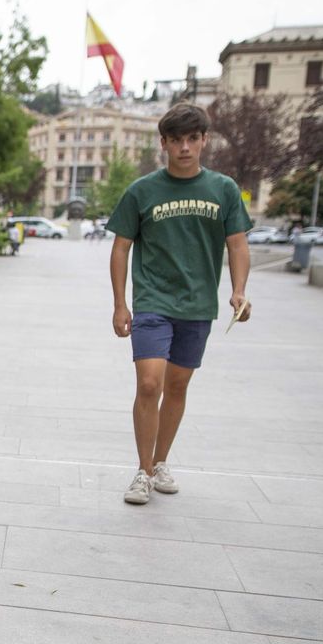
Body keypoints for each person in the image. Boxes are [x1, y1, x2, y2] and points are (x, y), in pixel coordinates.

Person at [105, 103, 251, 505]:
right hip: (152, 300)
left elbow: (237, 244)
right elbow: (121, 248)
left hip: (198, 304)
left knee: (178, 385)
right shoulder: (142, 191)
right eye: (176, 140)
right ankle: (142, 470)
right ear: (164, 144)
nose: (184, 147)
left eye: (192, 139)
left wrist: (239, 290)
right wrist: (121, 304)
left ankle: (161, 461)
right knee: (149, 382)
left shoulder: (223, 190)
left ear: (204, 140)